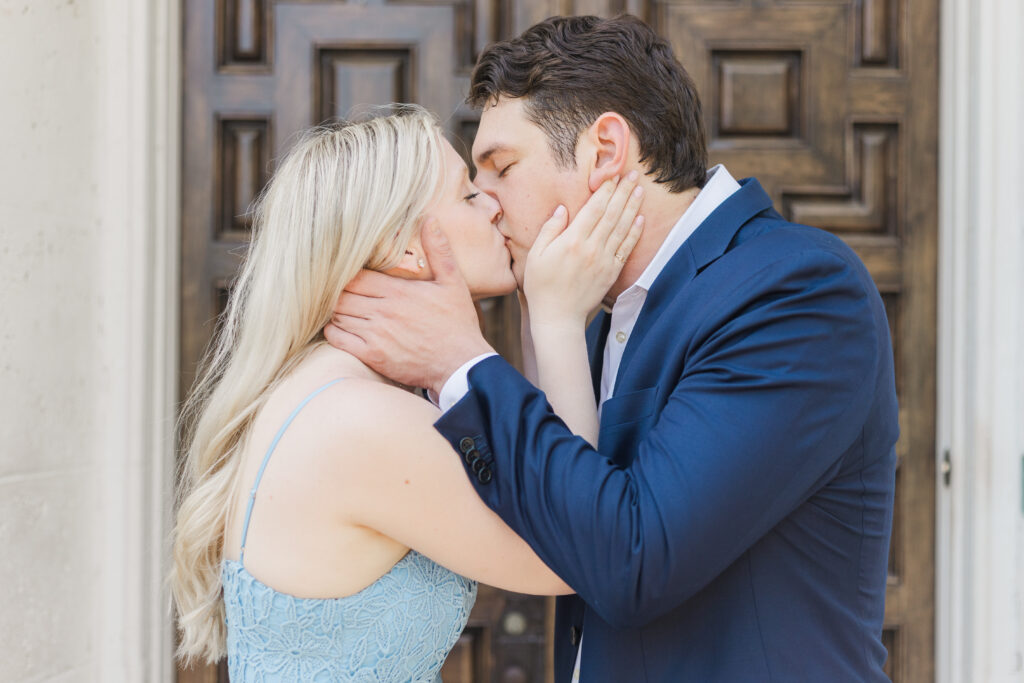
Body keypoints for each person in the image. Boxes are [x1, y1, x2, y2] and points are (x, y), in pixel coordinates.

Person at [326, 15, 899, 682]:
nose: (485, 202)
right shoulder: (599, 324)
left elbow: (633, 560)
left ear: (605, 150)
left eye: (503, 168)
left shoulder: (794, 292)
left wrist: (460, 362)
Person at [169, 105, 645, 681]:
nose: (494, 204)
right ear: (407, 247)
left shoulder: (348, 389)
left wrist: (532, 317)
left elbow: (547, 480)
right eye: (469, 196)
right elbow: (575, 549)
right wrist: (559, 320)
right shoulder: (360, 421)